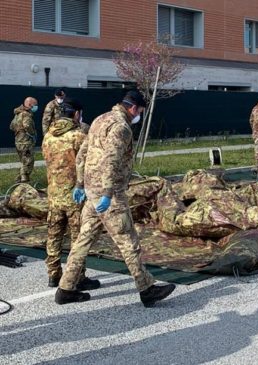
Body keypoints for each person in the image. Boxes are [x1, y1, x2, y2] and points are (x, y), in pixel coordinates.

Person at [55, 90, 176, 306]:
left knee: (83, 240)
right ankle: (147, 289)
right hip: (108, 196)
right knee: (128, 241)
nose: (139, 115)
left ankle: (65, 289)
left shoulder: (100, 119)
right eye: (140, 111)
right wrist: (108, 194)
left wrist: (81, 184)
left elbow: (83, 154)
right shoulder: (121, 127)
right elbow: (111, 160)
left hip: (92, 193)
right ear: (134, 108)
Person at [42, 98, 100, 290]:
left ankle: (53, 274)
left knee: (54, 234)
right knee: (78, 238)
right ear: (76, 114)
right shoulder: (78, 136)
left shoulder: (48, 136)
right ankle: (78, 277)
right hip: (75, 196)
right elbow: (89, 163)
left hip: (53, 194)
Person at [10, 97, 38, 183]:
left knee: (23, 161)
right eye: (35, 105)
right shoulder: (26, 114)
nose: (36, 107)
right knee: (28, 161)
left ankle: (19, 179)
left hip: (18, 141)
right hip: (26, 141)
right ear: (30, 105)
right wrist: (32, 134)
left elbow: (11, 126)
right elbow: (27, 125)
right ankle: (24, 180)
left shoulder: (18, 114)